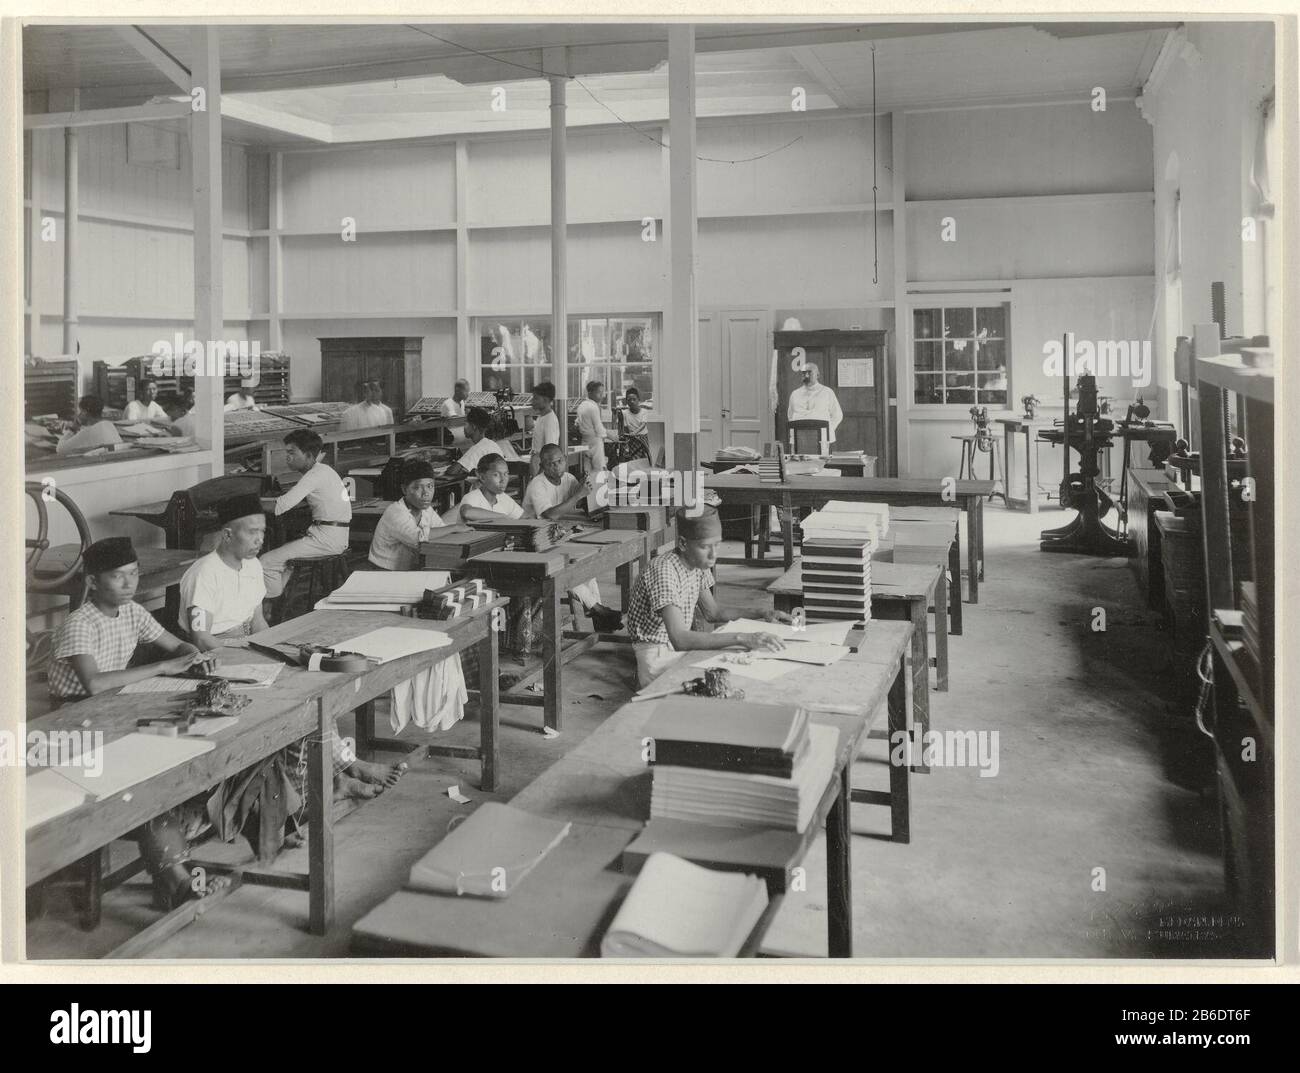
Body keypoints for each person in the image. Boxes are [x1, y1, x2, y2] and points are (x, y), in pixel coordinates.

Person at [626, 507, 791, 688]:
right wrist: (743, 637)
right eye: (705, 546)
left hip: (678, 647)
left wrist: (762, 612)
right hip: (657, 655)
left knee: (743, 658)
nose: (714, 554)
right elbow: (680, 639)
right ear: (682, 543)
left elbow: (713, 612)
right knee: (732, 675)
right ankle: (641, 681)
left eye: (717, 544)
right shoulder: (664, 572)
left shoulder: (697, 563)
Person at [48, 536, 210, 704]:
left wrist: (196, 658)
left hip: (109, 698)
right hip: (74, 705)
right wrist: (162, 667)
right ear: (93, 582)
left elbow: (178, 645)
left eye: (133, 573)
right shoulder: (79, 624)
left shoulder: (132, 611)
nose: (129, 584)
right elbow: (93, 684)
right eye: (118, 576)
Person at [523, 444, 623, 632]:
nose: (556, 466)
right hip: (532, 541)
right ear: (542, 466)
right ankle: (597, 609)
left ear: (565, 460)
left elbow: (583, 503)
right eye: (550, 464)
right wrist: (578, 494)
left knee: (585, 565)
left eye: (560, 461)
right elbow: (549, 515)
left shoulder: (568, 479)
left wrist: (590, 487)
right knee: (566, 569)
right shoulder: (537, 484)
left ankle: (597, 613)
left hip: (555, 536)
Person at [258, 429, 352, 602]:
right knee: (283, 562)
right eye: (287, 453)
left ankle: (269, 607)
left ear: (308, 455)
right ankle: (276, 603)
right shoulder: (324, 470)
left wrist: (247, 503)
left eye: (292, 452)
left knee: (265, 561)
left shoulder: (314, 475)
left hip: (327, 539)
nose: (288, 457)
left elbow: (280, 506)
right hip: (334, 535)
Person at [178, 494, 271, 649]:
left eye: (262, 531)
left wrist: (270, 649)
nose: (260, 539)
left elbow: (258, 621)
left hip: (247, 641)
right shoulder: (204, 573)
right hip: (214, 648)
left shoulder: (253, 565)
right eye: (252, 532)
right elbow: (201, 638)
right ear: (228, 535)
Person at [369, 459, 469, 571]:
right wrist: (454, 527)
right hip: (385, 573)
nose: (426, 493)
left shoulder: (426, 510)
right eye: (417, 487)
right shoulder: (395, 511)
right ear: (404, 489)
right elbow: (417, 539)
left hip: (409, 570)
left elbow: (441, 529)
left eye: (430, 486)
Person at [444, 407, 517, 480]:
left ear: (473, 427)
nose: (464, 427)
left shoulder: (477, 449)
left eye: (466, 423)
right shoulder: (492, 444)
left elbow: (452, 472)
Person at [787, 362, 843, 447]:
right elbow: (790, 415)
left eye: (809, 372)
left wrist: (827, 431)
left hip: (822, 438)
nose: (806, 376)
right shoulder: (795, 394)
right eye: (803, 373)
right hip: (800, 438)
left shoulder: (827, 392)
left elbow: (837, 415)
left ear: (817, 375)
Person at [458, 453, 522, 524]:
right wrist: (503, 517)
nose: (503, 480)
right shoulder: (472, 497)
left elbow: (523, 518)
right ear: (482, 477)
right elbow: (467, 513)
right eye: (496, 475)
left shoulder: (503, 498)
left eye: (506, 474)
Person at [575, 380, 618, 474]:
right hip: (595, 443)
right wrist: (614, 437)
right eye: (599, 393)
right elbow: (600, 430)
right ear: (590, 392)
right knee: (600, 472)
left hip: (585, 443)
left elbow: (577, 423)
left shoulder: (582, 405)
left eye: (603, 393)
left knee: (588, 473)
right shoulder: (593, 407)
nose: (602, 396)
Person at [56, 395, 123, 456]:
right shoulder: (109, 425)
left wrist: (72, 429)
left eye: (80, 411)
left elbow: (60, 450)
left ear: (84, 412)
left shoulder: (88, 432)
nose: (78, 415)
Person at [528, 380, 562, 476]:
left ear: (546, 400)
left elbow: (550, 451)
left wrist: (540, 475)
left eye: (536, 398)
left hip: (543, 468)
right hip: (537, 463)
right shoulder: (541, 417)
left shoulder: (550, 420)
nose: (532, 401)